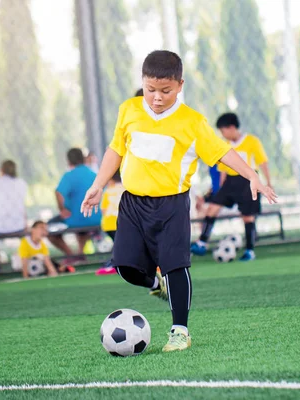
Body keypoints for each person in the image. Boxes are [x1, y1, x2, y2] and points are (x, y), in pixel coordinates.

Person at [80, 50, 276, 352]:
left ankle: (180, 330)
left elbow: (222, 151)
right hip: (132, 204)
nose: (157, 97)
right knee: (124, 266)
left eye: (165, 91)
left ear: (180, 85)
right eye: (150, 89)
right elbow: (116, 150)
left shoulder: (192, 122)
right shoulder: (129, 110)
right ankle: (155, 286)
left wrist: (252, 174)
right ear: (142, 83)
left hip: (171, 205)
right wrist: (98, 184)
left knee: (175, 265)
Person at [191, 113, 272, 261]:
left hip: (247, 182)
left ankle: (250, 251)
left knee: (248, 217)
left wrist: (268, 183)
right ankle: (202, 243)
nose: (222, 134)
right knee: (212, 208)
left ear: (232, 127)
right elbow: (222, 168)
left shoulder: (252, 141)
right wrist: (221, 188)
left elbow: (263, 162)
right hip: (229, 182)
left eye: (223, 130)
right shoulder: (225, 145)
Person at [48, 148, 101, 261]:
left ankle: (71, 255)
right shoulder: (94, 174)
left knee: (49, 230)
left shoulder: (69, 176)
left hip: (76, 219)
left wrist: (62, 209)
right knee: (83, 224)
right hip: (96, 217)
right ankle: (80, 253)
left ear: (68, 161)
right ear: (83, 158)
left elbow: (58, 193)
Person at [95, 170, 125, 275]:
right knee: (121, 245)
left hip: (109, 224)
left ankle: (112, 263)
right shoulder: (126, 189)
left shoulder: (108, 191)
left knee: (118, 244)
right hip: (124, 223)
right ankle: (112, 263)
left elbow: (103, 209)